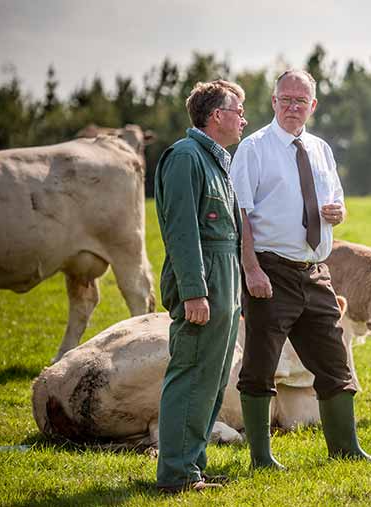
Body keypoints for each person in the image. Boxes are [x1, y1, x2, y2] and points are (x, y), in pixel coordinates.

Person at [231, 69, 371, 468]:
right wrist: (251, 270)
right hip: (270, 269)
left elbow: (335, 203)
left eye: (301, 101)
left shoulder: (320, 149)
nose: (293, 107)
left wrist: (338, 213)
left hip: (316, 269)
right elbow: (241, 214)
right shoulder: (254, 148)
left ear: (313, 106)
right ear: (273, 102)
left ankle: (346, 450)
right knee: (260, 365)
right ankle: (261, 458)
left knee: (335, 362)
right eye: (286, 99)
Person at [154, 80, 248, 492]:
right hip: (203, 281)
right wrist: (194, 291)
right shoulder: (185, 158)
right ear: (216, 116)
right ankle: (175, 473)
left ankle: (192, 467)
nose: (243, 118)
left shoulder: (217, 160)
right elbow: (181, 231)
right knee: (191, 375)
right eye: (238, 110)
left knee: (210, 380)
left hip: (224, 280)